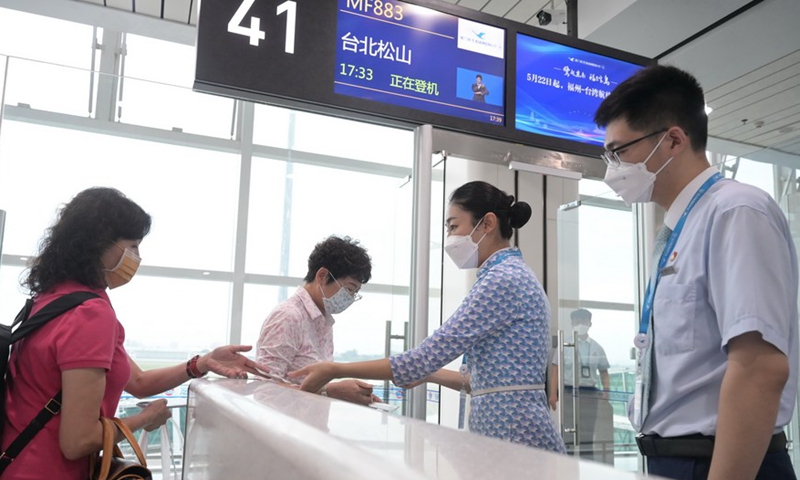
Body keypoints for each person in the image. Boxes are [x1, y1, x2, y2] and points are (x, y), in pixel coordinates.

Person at [595, 65, 798, 480]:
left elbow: (759, 368)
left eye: (619, 152)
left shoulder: (736, 211)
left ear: (672, 140)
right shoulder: (681, 225)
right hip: (675, 459)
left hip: (724, 463)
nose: (611, 169)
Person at [1, 187, 269, 480]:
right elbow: (77, 441)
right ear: (98, 244)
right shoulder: (90, 314)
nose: (137, 258)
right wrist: (144, 419)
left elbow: (138, 382)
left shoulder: (52, 298)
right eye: (133, 246)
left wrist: (201, 364)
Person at [290, 181, 566, 453]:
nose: (450, 237)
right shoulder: (512, 274)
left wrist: (336, 369)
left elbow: (424, 357)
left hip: (514, 434)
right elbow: (475, 380)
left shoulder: (501, 281)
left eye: (453, 226)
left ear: (487, 223)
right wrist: (429, 374)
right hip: (512, 429)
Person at [257, 236, 379, 406]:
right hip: (284, 428)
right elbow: (262, 388)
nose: (349, 298)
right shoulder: (288, 317)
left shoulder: (323, 320)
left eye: (354, 293)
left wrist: (350, 393)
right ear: (322, 275)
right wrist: (329, 390)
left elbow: (309, 382)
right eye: (349, 289)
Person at [548, 308, 611, 461]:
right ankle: (567, 466)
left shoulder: (597, 347)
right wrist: (553, 394)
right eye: (577, 321)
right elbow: (556, 369)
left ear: (590, 323)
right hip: (568, 393)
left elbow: (604, 372)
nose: (580, 324)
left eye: (583, 321)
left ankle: (587, 466)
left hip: (590, 394)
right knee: (568, 433)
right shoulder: (565, 345)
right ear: (571, 323)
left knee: (588, 433)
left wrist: (606, 391)